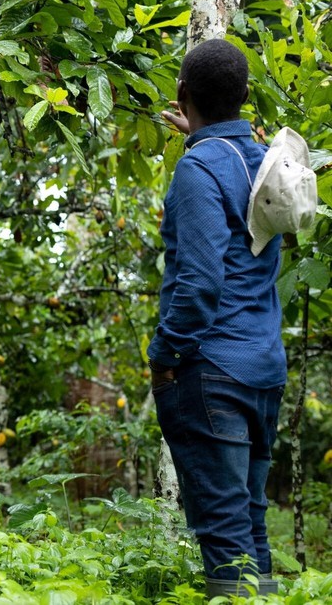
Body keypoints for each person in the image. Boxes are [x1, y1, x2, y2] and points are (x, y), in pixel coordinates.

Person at [150, 38, 292, 598]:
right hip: (263, 368)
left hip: (213, 372)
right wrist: (205, 137)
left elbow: (201, 282)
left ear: (182, 95)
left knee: (224, 535)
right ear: (247, 95)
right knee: (250, 524)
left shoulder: (196, 170)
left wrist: (163, 356)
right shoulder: (262, 161)